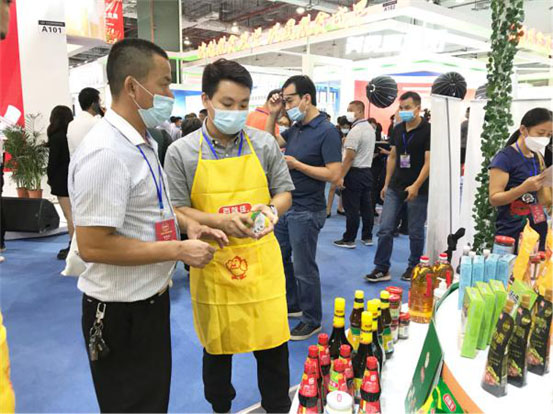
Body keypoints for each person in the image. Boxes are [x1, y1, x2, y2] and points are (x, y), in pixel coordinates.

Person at [68, 38, 223, 413]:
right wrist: (178, 249)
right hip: (120, 313)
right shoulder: (107, 152)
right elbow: (94, 245)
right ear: (132, 87)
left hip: (149, 301)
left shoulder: (142, 141)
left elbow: (153, 208)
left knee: (152, 402)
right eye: (164, 84)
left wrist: (187, 225)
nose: (170, 94)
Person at [164, 58, 294, 413]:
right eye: (227, 103)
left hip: (261, 264)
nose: (236, 112)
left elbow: (284, 192)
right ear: (206, 99)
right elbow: (176, 209)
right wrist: (220, 222)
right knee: (217, 351)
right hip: (213, 265)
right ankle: (220, 406)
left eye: (243, 105)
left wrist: (271, 211)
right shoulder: (182, 152)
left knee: (273, 348)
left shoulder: (263, 144)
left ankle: (277, 406)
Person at [265, 75, 342, 340]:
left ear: (306, 98)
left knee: (304, 267)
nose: (287, 106)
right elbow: (270, 143)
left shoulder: (327, 131)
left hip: (308, 209)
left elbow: (334, 174)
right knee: (281, 258)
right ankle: (294, 303)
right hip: (287, 205)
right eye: (284, 102)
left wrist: (298, 165)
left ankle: (312, 319)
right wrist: (273, 114)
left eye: (289, 101)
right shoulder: (296, 128)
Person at [366, 91, 431, 283]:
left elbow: (429, 162)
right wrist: (386, 183)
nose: (403, 111)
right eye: (401, 108)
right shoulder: (398, 129)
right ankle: (381, 267)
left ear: (418, 108)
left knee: (415, 230)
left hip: (418, 188)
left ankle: (414, 266)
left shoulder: (428, 130)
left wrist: (416, 185)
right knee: (385, 227)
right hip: (396, 186)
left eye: (407, 108)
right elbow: (393, 156)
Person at [489, 108, 552, 251]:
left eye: (549, 135)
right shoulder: (504, 158)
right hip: (511, 234)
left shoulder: (537, 156)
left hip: (537, 232)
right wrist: (524, 188)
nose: (545, 138)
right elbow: (494, 199)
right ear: (523, 130)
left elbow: (537, 196)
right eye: (541, 133)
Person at [334, 101, 376, 248]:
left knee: (351, 207)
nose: (348, 113)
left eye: (350, 110)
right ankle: (367, 236)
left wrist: (341, 176)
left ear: (359, 111)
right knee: (366, 207)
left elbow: (349, 157)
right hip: (367, 171)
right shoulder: (370, 128)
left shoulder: (355, 130)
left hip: (354, 173)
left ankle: (349, 239)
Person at [46, 105, 74, 260]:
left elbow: (53, 162)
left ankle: (73, 245)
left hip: (61, 180)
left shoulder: (56, 137)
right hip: (72, 177)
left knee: (69, 215)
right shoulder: (70, 135)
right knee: (73, 214)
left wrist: (50, 178)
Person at [67, 87, 103, 156]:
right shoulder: (96, 123)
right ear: (93, 104)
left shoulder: (71, 125)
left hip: (77, 162)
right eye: (99, 102)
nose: (101, 106)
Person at [326, 116, 350, 218]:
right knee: (333, 187)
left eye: (347, 126)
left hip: (346, 163)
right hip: (337, 162)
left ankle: (340, 208)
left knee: (343, 187)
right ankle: (328, 209)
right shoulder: (335, 134)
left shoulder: (351, 134)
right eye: (344, 127)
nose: (346, 128)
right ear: (340, 126)